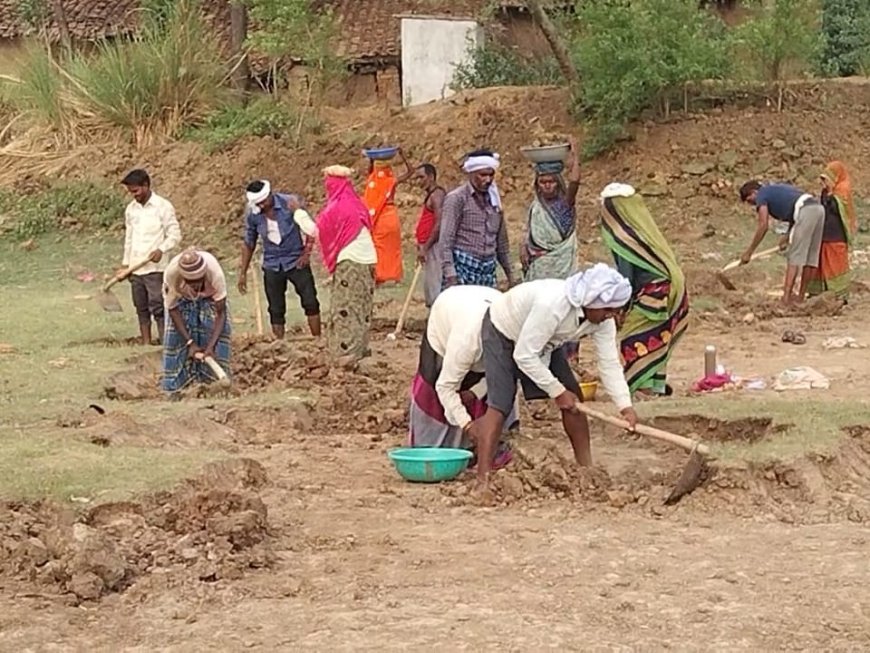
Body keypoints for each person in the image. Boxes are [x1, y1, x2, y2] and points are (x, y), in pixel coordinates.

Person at [472, 263, 639, 484]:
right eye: (608, 310)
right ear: (590, 302)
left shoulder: (602, 320)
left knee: (574, 399)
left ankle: (586, 469)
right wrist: (557, 391)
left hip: (544, 341)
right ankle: (483, 478)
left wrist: (625, 406)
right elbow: (524, 355)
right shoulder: (553, 305)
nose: (612, 316)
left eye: (616, 310)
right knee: (500, 404)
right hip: (503, 330)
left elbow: (609, 363)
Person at [408, 285, 517, 469]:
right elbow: (445, 386)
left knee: (499, 393)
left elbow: (508, 376)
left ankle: (492, 447)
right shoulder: (465, 342)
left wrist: (475, 392)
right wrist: (468, 425)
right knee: (436, 388)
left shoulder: (513, 339)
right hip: (449, 314)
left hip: (481, 302)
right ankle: (437, 445)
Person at [600, 183, 689, 396]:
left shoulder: (624, 236)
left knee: (632, 335)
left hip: (656, 290)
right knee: (660, 334)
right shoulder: (644, 231)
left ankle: (643, 385)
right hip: (674, 284)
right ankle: (656, 384)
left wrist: (620, 308)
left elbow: (626, 278)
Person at [238, 180, 321, 339]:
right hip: (272, 263)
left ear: (270, 195)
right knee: (276, 309)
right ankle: (279, 344)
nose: (262, 206)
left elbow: (309, 227)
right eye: (258, 204)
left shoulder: (290, 202)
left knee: (310, 301)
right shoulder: (253, 213)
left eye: (264, 202)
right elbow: (249, 242)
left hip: (296, 260)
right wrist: (243, 272)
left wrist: (306, 253)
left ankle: (317, 339)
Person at [316, 165, 378, 364]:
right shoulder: (356, 203)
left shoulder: (337, 208)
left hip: (351, 263)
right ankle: (359, 348)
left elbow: (317, 231)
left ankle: (345, 353)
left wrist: (298, 215)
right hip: (368, 262)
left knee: (345, 309)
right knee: (361, 307)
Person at [119, 168, 182, 345]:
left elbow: (175, 235)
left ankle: (165, 341)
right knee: (141, 306)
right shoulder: (131, 210)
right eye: (130, 192)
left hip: (155, 269)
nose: (134, 195)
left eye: (136, 191)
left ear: (146, 186)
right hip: (135, 268)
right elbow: (129, 239)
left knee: (158, 306)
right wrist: (126, 265)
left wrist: (161, 250)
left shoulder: (163, 206)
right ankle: (146, 342)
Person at [738, 180, 825, 304]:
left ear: (753, 192)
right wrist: (786, 236)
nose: (752, 204)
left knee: (794, 257)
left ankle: (786, 298)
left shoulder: (762, 194)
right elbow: (793, 209)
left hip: (805, 212)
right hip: (818, 209)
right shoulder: (776, 189)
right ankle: (801, 297)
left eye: (749, 200)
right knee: (811, 258)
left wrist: (749, 252)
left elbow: (763, 225)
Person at [440, 149, 515, 289]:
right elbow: (446, 240)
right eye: (482, 175)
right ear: (471, 173)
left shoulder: (495, 202)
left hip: (487, 271)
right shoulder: (457, 198)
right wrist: (450, 274)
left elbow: (502, 245)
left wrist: (512, 276)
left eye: (491, 175)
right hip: (462, 268)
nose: (487, 180)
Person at [162, 248, 231, 392]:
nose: (195, 286)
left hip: (210, 300)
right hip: (181, 300)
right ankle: (175, 389)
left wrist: (211, 346)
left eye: (198, 281)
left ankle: (213, 386)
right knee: (175, 343)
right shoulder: (172, 274)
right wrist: (190, 342)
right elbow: (173, 309)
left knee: (215, 341)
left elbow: (220, 312)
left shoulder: (214, 272)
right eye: (191, 282)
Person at [520, 143, 580, 281]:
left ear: (558, 183)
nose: (547, 186)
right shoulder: (536, 207)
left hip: (562, 263)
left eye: (551, 182)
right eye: (543, 182)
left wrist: (575, 157)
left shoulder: (565, 204)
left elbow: (575, 181)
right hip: (539, 264)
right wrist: (523, 245)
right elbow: (528, 231)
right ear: (537, 185)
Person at [804, 161, 855, 302]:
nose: (824, 182)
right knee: (821, 263)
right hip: (824, 232)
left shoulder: (843, 189)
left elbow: (838, 210)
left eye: (826, 179)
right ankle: (818, 292)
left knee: (835, 265)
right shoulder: (826, 191)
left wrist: (832, 195)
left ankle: (839, 295)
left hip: (837, 234)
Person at [362, 147, 413, 285]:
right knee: (393, 247)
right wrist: (403, 156)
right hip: (391, 217)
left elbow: (371, 170)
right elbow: (411, 171)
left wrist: (370, 157)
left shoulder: (373, 180)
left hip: (380, 219)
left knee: (378, 246)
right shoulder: (392, 181)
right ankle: (394, 276)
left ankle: (380, 276)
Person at [414, 163, 447, 307]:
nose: (419, 181)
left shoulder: (437, 195)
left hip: (434, 247)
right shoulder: (431, 195)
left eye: (421, 177)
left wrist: (426, 247)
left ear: (431, 177)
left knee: (435, 285)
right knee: (429, 284)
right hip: (428, 247)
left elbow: (439, 223)